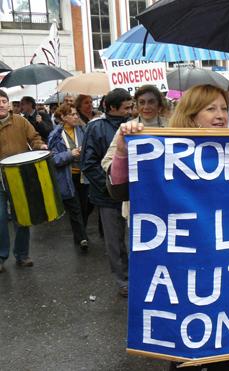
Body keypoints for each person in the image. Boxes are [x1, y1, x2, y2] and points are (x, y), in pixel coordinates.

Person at [107, 84, 229, 371]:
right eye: (211, 109)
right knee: (189, 351)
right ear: (191, 114)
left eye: (223, 108)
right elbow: (119, 191)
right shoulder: (164, 149)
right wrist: (124, 150)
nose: (221, 114)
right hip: (187, 274)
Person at [81, 88, 133, 298]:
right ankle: (123, 281)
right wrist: (111, 185)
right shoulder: (95, 128)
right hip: (108, 196)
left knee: (134, 240)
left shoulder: (134, 125)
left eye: (132, 106)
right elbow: (89, 163)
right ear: (112, 107)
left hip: (131, 194)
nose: (131, 110)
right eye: (126, 107)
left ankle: (136, 276)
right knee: (115, 241)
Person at [102, 85, 168, 220]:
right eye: (142, 102)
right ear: (136, 106)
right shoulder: (126, 129)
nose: (146, 106)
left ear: (159, 105)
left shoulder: (172, 127)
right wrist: (122, 166)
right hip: (137, 199)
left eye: (151, 102)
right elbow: (106, 161)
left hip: (166, 197)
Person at [0, 90, 47, 272]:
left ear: (10, 104)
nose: (1, 104)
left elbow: (34, 138)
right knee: (1, 218)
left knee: (23, 218)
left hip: (19, 177)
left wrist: (40, 145)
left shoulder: (20, 121)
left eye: (4, 101)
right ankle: (1, 256)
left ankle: (22, 254)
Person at [48, 103, 89, 250]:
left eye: (76, 114)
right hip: (67, 177)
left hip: (84, 176)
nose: (76, 116)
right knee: (75, 208)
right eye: (72, 114)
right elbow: (53, 159)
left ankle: (80, 233)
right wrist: (69, 154)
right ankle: (82, 237)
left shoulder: (83, 130)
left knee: (85, 207)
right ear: (63, 117)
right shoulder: (55, 136)